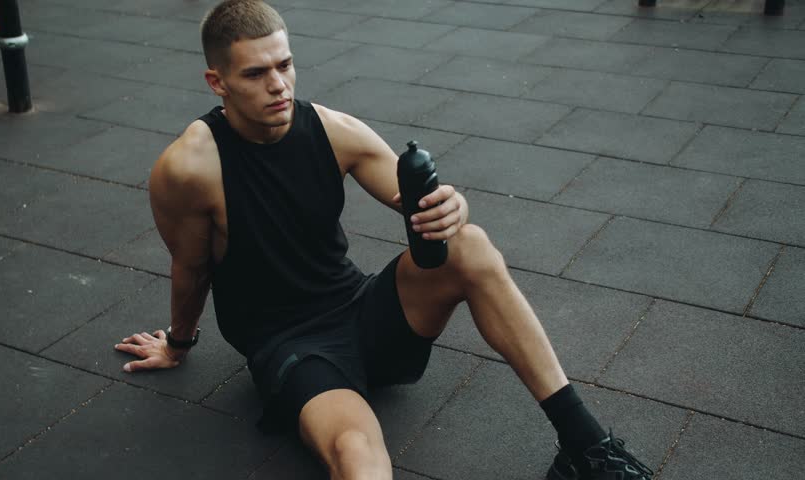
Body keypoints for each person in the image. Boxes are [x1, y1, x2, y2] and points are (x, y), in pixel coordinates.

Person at [114, 1, 654, 479]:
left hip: (363, 312)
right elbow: (190, 268)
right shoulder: (189, 167)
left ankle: (585, 445)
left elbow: (416, 195)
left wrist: (452, 206)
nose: (279, 85)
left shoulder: (331, 130)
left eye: (285, 65)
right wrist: (178, 344)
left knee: (470, 242)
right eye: (256, 74)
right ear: (218, 82)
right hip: (293, 348)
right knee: (357, 451)